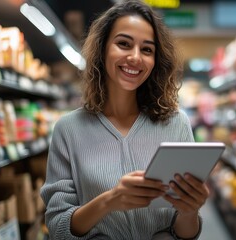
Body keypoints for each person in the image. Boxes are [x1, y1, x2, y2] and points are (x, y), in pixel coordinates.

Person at [40, 1, 210, 239]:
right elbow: (58, 227)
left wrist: (190, 211)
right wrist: (111, 200)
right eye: (123, 44)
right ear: (102, 49)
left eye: (147, 50)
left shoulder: (176, 124)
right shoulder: (68, 130)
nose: (135, 57)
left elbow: (185, 234)